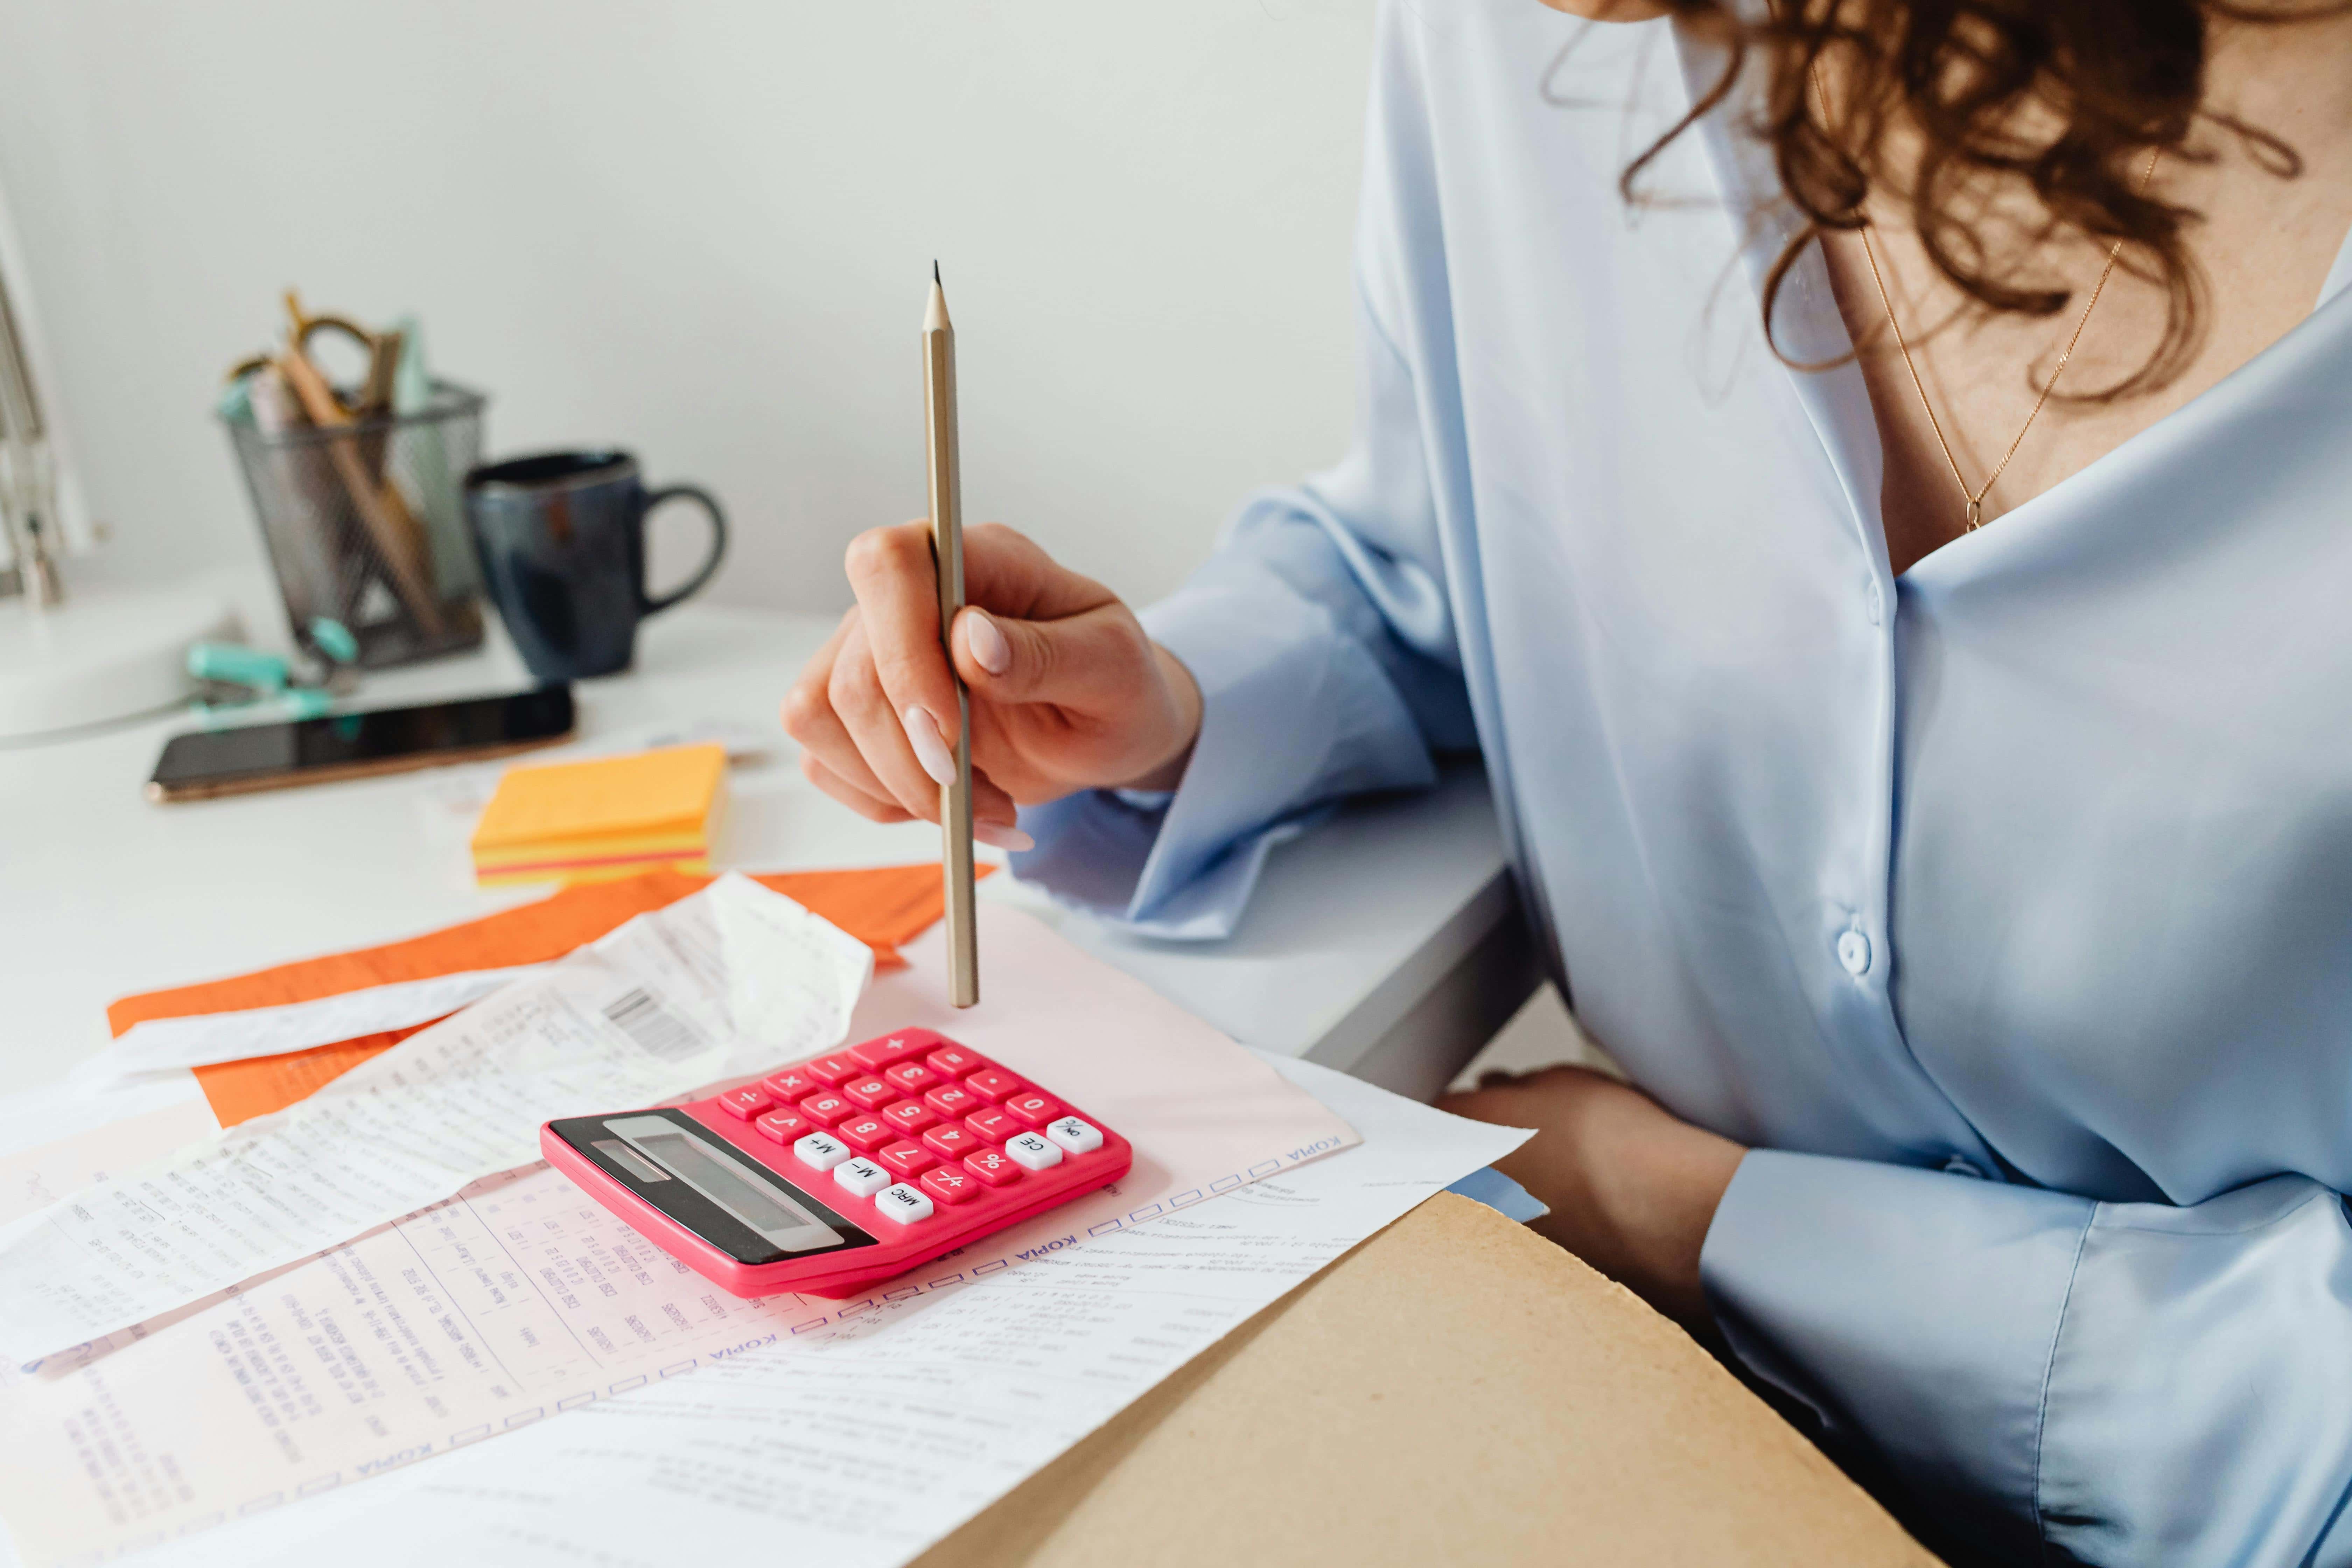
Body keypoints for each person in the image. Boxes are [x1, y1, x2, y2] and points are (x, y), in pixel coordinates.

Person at [784, 0, 2352, 1559]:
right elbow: (1443, 554)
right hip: (1638, 1403)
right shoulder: (1518, 40)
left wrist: (1706, 1220)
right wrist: (1175, 705)